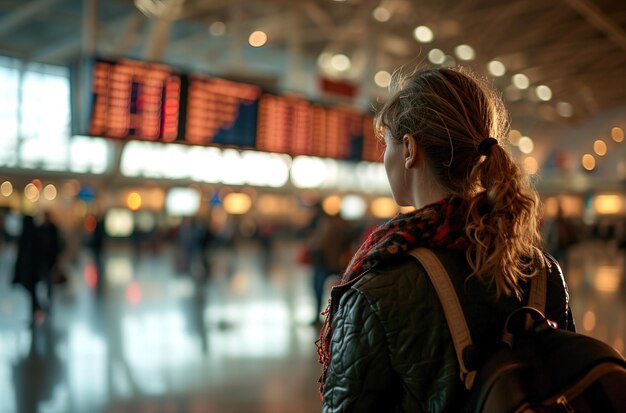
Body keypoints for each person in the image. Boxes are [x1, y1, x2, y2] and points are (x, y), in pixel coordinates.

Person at [316, 67, 575, 412]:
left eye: (387, 144)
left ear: (409, 149)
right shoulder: (543, 273)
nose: (385, 159)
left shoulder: (376, 289)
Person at [12, 215, 42, 324]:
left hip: (28, 270)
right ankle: (36, 310)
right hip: (31, 270)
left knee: (31, 293)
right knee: (32, 293)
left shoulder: (26, 236)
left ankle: (36, 311)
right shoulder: (33, 235)